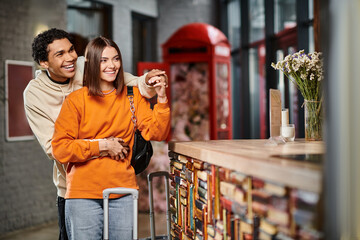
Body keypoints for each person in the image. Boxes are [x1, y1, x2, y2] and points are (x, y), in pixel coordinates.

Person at [23, 28, 167, 240]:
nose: (71, 57)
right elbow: (55, 148)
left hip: (121, 186)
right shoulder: (37, 95)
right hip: (74, 187)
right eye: (60, 54)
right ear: (44, 63)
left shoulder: (84, 64)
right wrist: (104, 145)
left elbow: (129, 81)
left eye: (71, 50)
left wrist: (151, 85)